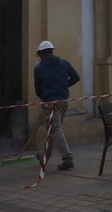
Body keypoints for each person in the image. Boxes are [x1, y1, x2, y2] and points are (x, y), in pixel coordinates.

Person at [33, 40, 81, 170]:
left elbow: (38, 90)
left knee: (55, 130)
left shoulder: (39, 69)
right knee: (53, 130)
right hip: (63, 102)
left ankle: (67, 158)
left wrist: (45, 98)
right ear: (52, 51)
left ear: (41, 53)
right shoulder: (64, 63)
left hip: (50, 103)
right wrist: (64, 87)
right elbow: (76, 77)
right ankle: (45, 156)